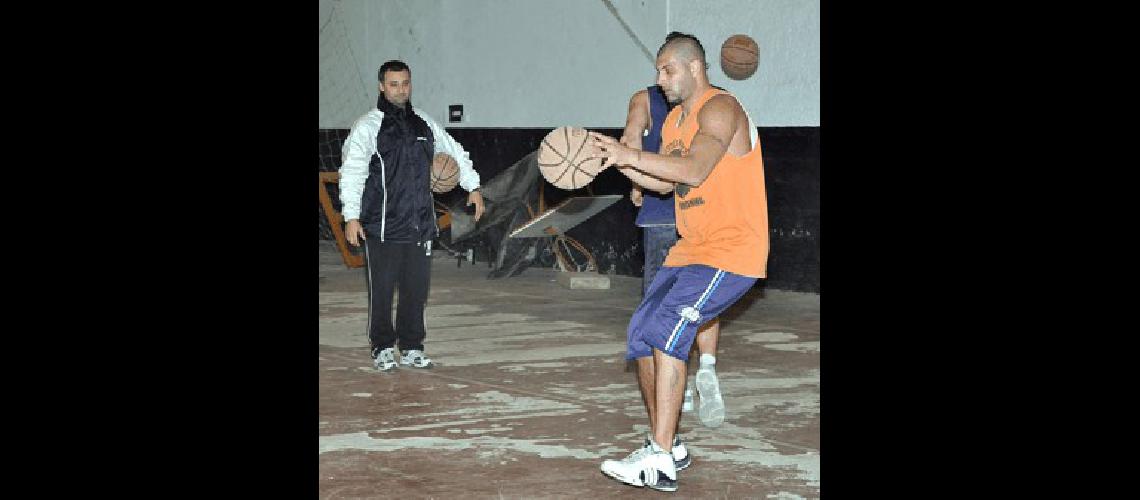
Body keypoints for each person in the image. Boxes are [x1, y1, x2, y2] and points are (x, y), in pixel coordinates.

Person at [592, 32, 769, 492]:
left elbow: (694, 170)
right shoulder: (673, 121)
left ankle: (660, 456)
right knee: (643, 333)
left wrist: (631, 152)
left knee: (670, 326)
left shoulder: (720, 107)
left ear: (694, 68)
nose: (660, 79)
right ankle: (668, 442)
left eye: (667, 69)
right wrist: (614, 161)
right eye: (658, 70)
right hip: (691, 249)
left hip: (732, 250)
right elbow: (664, 185)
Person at [339, 60, 485, 372]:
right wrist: (351, 216)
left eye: (405, 83)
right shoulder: (368, 126)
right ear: (381, 86)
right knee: (382, 291)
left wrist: (472, 186)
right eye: (393, 84)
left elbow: (454, 151)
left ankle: (412, 347)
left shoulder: (424, 124)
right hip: (382, 226)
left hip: (420, 224)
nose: (400, 89)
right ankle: (381, 347)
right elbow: (351, 172)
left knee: (415, 291)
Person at [622, 85, 727, 431]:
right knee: (702, 301)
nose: (663, 76)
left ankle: (675, 385)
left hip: (663, 210)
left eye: (666, 68)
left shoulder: (645, 99)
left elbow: (631, 136)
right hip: (703, 212)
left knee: (659, 309)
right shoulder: (716, 100)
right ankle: (707, 367)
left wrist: (633, 176)